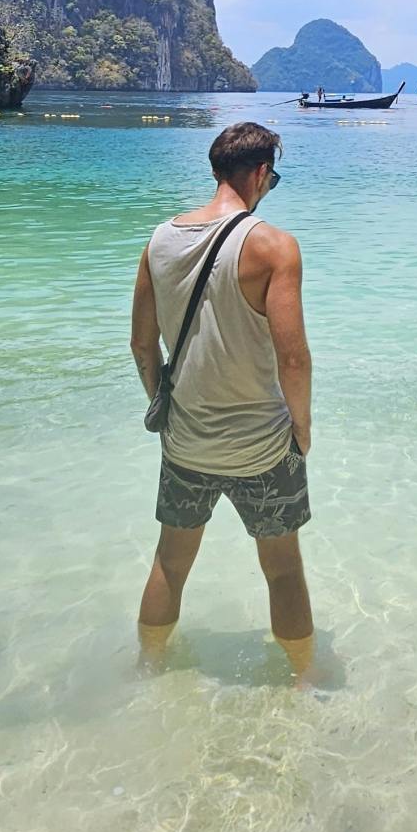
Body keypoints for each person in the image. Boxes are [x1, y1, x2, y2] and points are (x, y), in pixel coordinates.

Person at [130, 121, 315, 678]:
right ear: (260, 173)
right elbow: (294, 359)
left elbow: (142, 344)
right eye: (272, 177)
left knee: (171, 560)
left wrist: (166, 407)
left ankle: (149, 668)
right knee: (282, 568)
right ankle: (302, 682)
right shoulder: (273, 246)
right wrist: (302, 430)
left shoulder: (159, 240)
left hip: (186, 443)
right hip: (262, 446)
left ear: (216, 171)